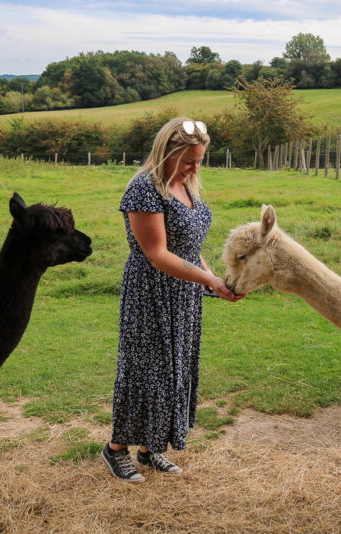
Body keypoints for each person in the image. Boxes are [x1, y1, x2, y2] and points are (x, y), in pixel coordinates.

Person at [101, 117, 243, 483]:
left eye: (199, 161)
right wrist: (207, 278)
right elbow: (158, 254)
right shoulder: (144, 190)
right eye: (188, 161)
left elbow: (190, 249)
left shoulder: (188, 186)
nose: (195, 168)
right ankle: (116, 449)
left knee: (173, 368)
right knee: (143, 369)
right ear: (167, 152)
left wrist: (211, 282)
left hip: (184, 292)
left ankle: (150, 448)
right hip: (150, 292)